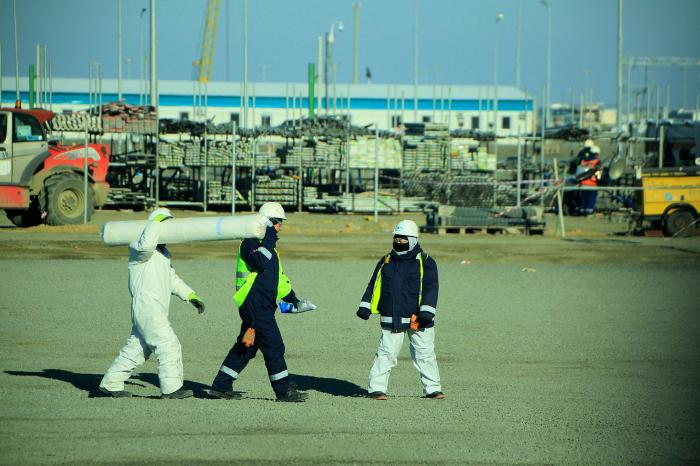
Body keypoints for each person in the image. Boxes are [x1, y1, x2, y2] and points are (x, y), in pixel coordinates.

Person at [210, 202, 317, 402]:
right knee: (274, 346)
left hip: (262, 305)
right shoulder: (250, 242)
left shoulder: (269, 247)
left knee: (246, 347)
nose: (280, 227)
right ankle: (283, 391)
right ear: (266, 222)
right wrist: (268, 238)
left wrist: (293, 300)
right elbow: (259, 262)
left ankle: (220, 386)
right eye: (276, 222)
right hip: (254, 304)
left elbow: (279, 280)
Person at [100, 208, 205, 399]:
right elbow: (147, 244)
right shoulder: (139, 250)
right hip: (148, 308)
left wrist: (190, 295)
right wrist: (156, 221)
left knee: (137, 349)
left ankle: (111, 383)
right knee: (168, 344)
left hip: (151, 310)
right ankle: (171, 388)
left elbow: (171, 278)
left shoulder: (163, 254)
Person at [356, 220, 444, 401]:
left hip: (419, 318)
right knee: (386, 353)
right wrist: (365, 306)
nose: (399, 241)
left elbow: (431, 288)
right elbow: (374, 284)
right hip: (391, 315)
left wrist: (427, 312)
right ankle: (376, 389)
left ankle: (433, 389)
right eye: (396, 237)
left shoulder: (426, 261)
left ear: (412, 240)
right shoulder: (385, 260)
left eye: (403, 238)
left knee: (425, 354)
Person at [577, 145, 602, 216]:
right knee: (591, 198)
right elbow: (598, 172)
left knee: (583, 197)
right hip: (592, 183)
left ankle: (581, 210)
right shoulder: (597, 161)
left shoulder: (583, 160)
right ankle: (589, 212)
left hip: (583, 182)